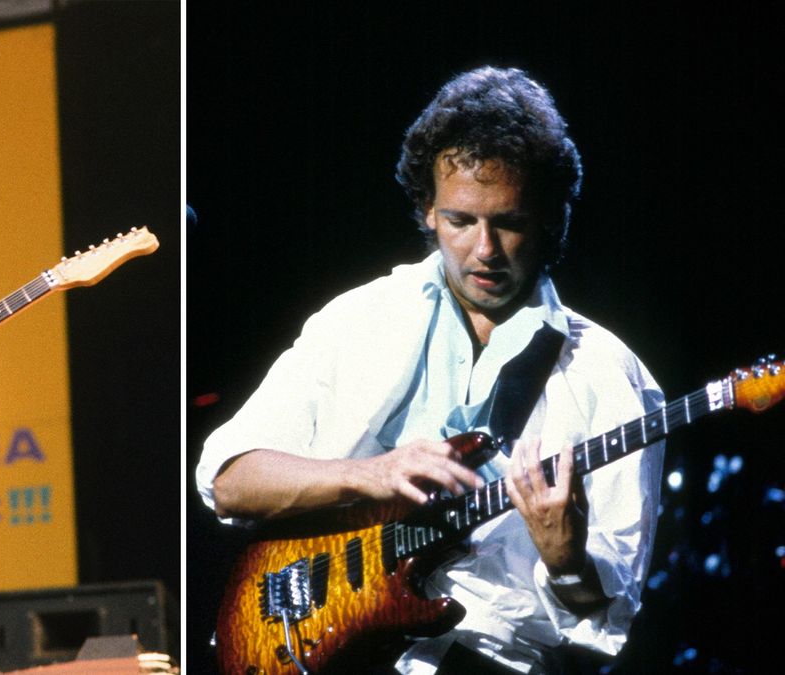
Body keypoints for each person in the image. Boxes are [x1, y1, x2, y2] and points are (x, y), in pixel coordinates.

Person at [196, 67, 665, 673]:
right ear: (427, 212)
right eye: (461, 220)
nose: (485, 249)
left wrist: (567, 561)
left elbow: (602, 625)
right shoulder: (358, 317)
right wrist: (370, 473)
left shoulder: (608, 372)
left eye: (510, 222)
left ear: (549, 217)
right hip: (324, 642)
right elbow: (230, 479)